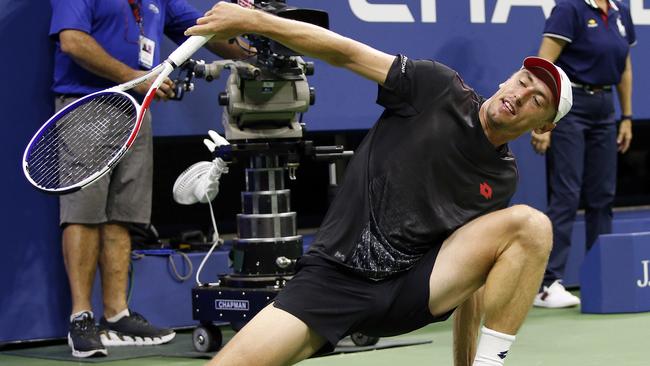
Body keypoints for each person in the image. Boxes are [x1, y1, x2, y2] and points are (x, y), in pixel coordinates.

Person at [186, 2, 573, 365]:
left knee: (533, 226)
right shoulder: (437, 88)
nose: (521, 95)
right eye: (523, 81)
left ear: (543, 126)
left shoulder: (502, 178)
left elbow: (471, 277)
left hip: (409, 292)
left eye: (537, 100)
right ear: (509, 78)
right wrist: (253, 21)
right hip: (333, 280)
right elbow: (345, 52)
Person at [49, 0, 249, 358]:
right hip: (87, 105)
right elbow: (73, 41)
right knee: (83, 212)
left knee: (122, 216)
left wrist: (260, 45)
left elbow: (209, 30)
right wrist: (138, 79)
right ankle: (81, 318)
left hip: (136, 111)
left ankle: (116, 316)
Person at [529, 0, 635, 308]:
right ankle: (548, 284)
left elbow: (625, 67)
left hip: (605, 108)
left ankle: (601, 275)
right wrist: (540, 121)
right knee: (567, 194)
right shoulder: (570, 8)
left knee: (603, 197)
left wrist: (626, 117)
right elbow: (542, 67)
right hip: (570, 107)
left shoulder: (620, 11)